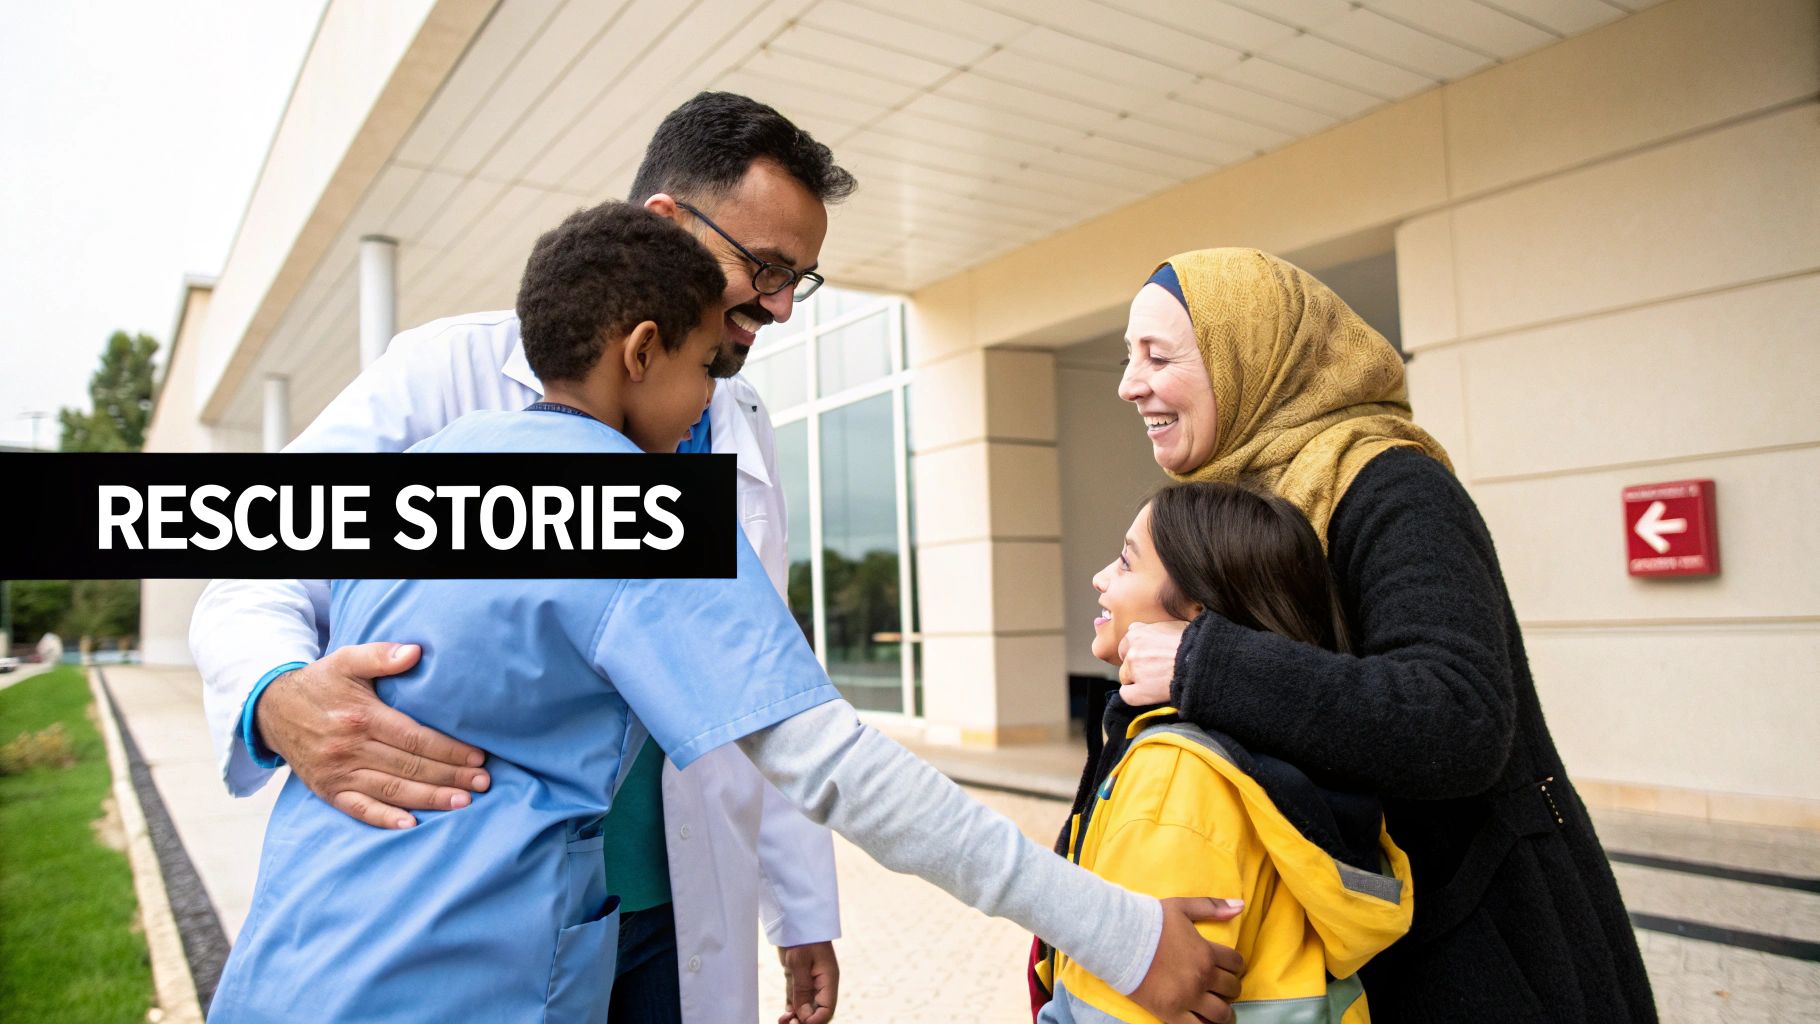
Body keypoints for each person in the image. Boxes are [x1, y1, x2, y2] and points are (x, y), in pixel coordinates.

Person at [207, 203, 1246, 1024]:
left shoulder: (433, 469)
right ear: (641, 350)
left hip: (299, 958)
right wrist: (1118, 932)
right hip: (453, 978)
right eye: (708, 363)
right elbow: (838, 765)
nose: (713, 403)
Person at [191, 92, 852, 1024]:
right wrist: (274, 693)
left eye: (802, 279)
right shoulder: (443, 377)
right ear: (666, 223)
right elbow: (259, 562)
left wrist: (802, 906)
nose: (781, 306)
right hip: (469, 907)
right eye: (767, 267)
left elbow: (761, 683)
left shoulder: (742, 425)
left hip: (677, 903)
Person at [1112, 250, 1657, 1022]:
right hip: (1354, 949)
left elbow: (1457, 717)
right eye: (1128, 357)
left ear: (1252, 358)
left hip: (1475, 950)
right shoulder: (1235, 507)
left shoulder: (1390, 485)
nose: (1130, 384)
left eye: (1157, 356)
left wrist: (1208, 660)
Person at [1032, 482, 1412, 1024]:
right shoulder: (1271, 750)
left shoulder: (1177, 776)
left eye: (1125, 562)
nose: (1101, 578)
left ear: (1197, 608)